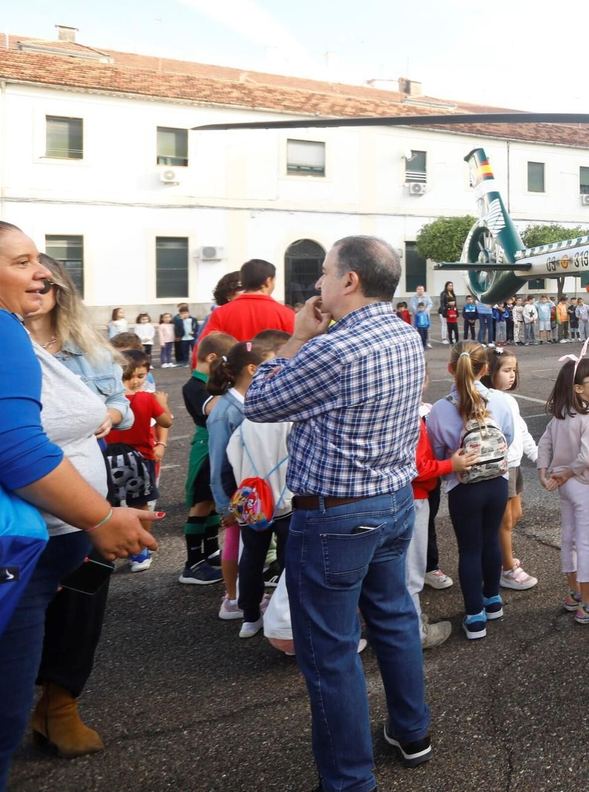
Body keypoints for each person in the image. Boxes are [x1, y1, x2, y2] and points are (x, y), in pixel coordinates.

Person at [0, 222, 157, 790]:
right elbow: (16, 448)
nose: (42, 272)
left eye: (39, 263)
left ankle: (57, 708)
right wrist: (101, 518)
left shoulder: (9, 329)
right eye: (22, 262)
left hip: (33, 555)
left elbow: (110, 404)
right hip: (4, 563)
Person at [244, 235, 432, 783]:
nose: (317, 284)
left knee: (330, 650)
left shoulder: (333, 347)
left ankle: (350, 777)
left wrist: (296, 338)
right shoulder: (405, 334)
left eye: (324, 274)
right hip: (394, 500)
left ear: (349, 280)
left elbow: (259, 402)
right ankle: (411, 729)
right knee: (394, 617)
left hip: (336, 513)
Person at [25, 254, 139, 758]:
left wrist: (111, 411)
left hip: (89, 511)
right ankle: (11, 704)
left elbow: (124, 399)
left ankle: (60, 706)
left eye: (45, 284)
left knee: (80, 609)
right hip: (22, 512)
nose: (36, 291)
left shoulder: (87, 349)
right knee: (15, 613)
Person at [425, 341, 514, 641]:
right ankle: (493, 600)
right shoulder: (500, 401)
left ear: (451, 369)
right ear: (486, 369)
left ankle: (475, 616)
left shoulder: (439, 409)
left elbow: (437, 452)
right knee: (490, 541)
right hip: (498, 482)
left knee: (469, 549)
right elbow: (509, 438)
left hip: (464, 485)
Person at [209, 335, 292, 637]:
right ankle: (285, 614)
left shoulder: (245, 424)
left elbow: (227, 463)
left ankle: (249, 615)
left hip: (252, 504)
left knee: (252, 558)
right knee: (288, 559)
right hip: (284, 503)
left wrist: (233, 500)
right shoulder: (286, 420)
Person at [537, 353, 589, 623]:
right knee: (584, 543)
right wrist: (567, 473)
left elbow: (544, 444)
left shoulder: (561, 411)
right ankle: (588, 604)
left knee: (568, 539)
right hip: (581, 484)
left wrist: (546, 473)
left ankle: (575, 593)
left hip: (564, 485)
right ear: (578, 388)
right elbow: (586, 456)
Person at [408, 390, 469, 649]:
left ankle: (406, 621)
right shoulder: (406, 417)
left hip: (400, 497)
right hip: (412, 497)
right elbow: (416, 467)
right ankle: (414, 633)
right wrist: (449, 466)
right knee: (410, 573)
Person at [178, 330, 238, 586]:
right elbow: (213, 408)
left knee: (214, 501)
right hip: (206, 448)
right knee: (201, 503)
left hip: (220, 445)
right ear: (212, 357)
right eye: (224, 363)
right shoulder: (194, 385)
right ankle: (192, 563)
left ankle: (211, 550)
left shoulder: (214, 383)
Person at [107, 349, 171, 571]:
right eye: (130, 376)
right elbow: (166, 421)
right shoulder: (147, 398)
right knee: (141, 503)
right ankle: (141, 550)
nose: (135, 381)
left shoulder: (106, 399)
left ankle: (110, 550)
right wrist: (161, 403)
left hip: (107, 458)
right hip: (141, 458)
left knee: (109, 505)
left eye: (140, 376)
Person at [484, 347, 538, 592]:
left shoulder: (509, 400)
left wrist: (538, 458)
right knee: (504, 520)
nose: (512, 375)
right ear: (489, 371)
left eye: (514, 370)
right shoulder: (489, 399)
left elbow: (523, 431)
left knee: (515, 515)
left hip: (514, 466)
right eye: (506, 370)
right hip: (501, 469)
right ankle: (506, 568)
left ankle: (502, 557)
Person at [195, 259, 297, 349]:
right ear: (268, 281)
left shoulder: (220, 314)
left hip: (232, 370)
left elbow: (203, 352)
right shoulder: (287, 315)